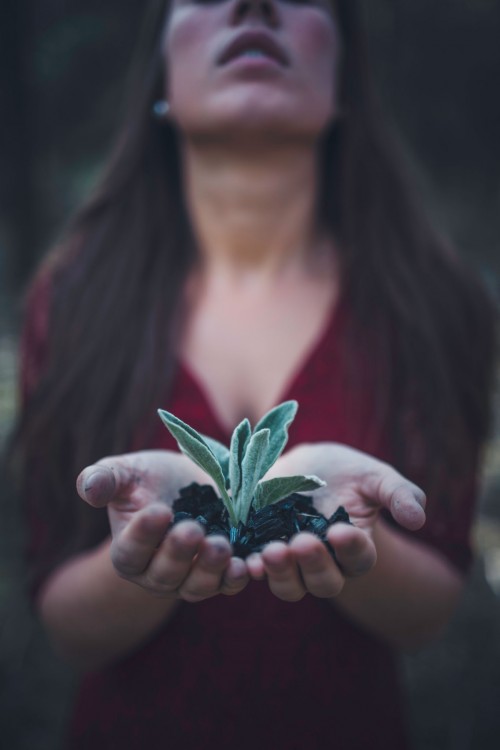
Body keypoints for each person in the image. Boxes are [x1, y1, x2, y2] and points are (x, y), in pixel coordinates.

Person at [9, 0, 496, 748]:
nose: (253, 5)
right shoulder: (73, 301)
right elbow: (64, 622)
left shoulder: (435, 302)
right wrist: (145, 554)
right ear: (160, 79)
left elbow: (431, 608)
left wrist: (343, 535)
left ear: (345, 85)